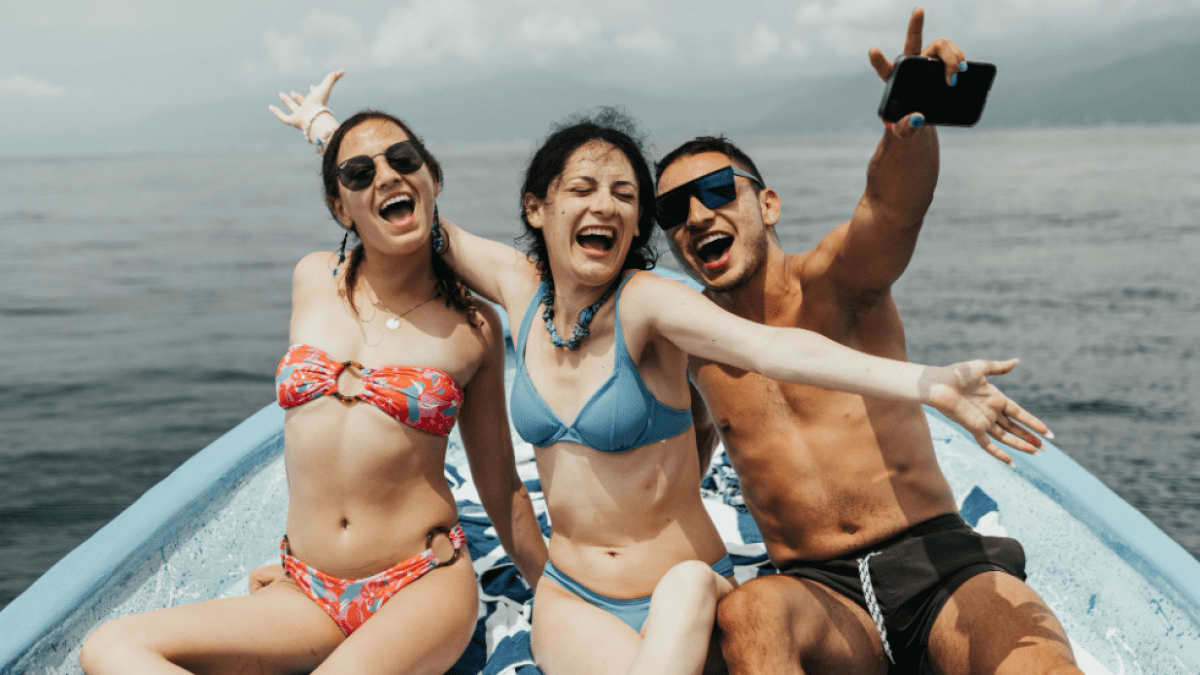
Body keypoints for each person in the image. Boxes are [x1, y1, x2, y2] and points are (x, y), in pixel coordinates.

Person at [276, 68, 1049, 675]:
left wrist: (926, 381)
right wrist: (323, 130)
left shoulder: (649, 303)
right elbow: (402, 200)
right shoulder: (516, 288)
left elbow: (770, 347)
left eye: (623, 195)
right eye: (582, 188)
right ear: (538, 207)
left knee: (684, 590)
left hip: (682, 587)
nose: (606, 205)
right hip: (573, 594)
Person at [652, 9, 1084, 675]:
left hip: (936, 566)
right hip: (820, 595)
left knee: (1035, 661)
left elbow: (891, 208)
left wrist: (907, 129)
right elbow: (687, 446)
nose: (697, 215)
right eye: (672, 211)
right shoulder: (691, 343)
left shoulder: (835, 282)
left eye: (715, 191)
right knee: (749, 614)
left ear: (767, 204)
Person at [79, 109, 548, 675]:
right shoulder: (313, 279)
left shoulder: (472, 327)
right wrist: (326, 135)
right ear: (338, 206)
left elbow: (500, 483)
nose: (388, 177)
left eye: (405, 162)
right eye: (359, 174)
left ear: (433, 181)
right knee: (110, 648)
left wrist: (553, 590)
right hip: (305, 588)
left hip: (421, 586)